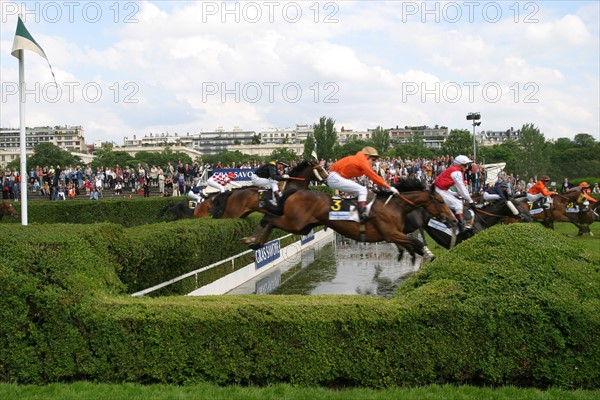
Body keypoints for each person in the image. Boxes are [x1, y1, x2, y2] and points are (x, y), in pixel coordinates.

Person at [326, 147, 399, 222]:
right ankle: (362, 214)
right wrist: (389, 187)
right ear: (367, 156)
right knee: (362, 190)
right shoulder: (362, 161)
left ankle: (353, 212)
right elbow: (373, 176)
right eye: (373, 160)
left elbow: (374, 178)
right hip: (334, 177)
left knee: (360, 191)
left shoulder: (361, 160)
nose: (374, 163)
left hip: (335, 177)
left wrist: (384, 187)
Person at [433, 155, 476, 233]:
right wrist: (470, 200)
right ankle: (462, 226)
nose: (466, 167)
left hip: (441, 189)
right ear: (460, 165)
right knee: (458, 204)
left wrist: (456, 194)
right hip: (439, 191)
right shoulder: (457, 172)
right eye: (465, 165)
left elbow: (457, 188)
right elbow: (462, 188)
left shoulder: (454, 170)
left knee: (456, 199)